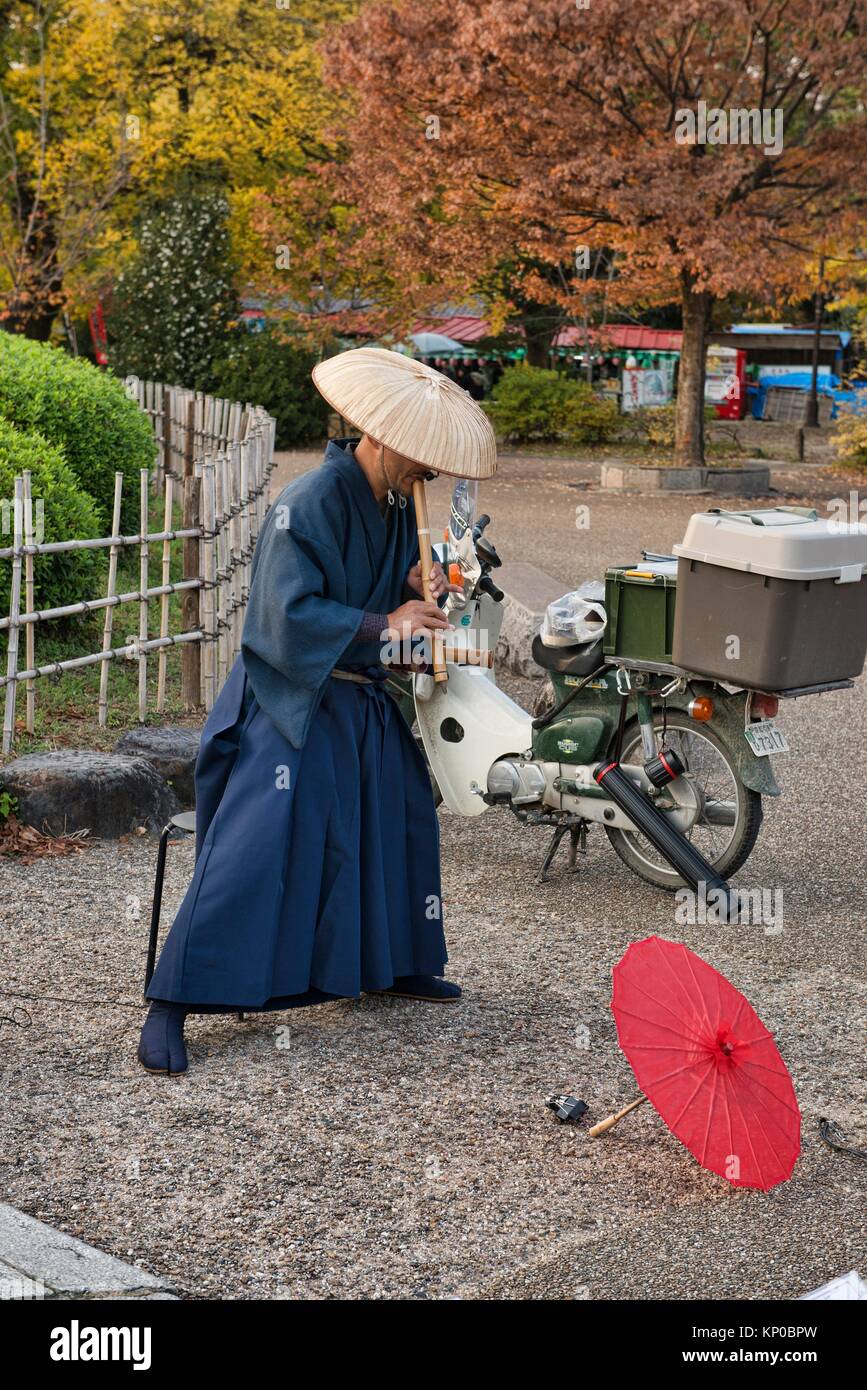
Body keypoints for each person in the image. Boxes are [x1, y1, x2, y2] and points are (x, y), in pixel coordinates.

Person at [137, 349, 497, 1075]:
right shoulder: (307, 502)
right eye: (419, 459)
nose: (426, 473)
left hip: (357, 695)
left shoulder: (396, 504)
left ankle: (394, 961)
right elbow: (284, 614)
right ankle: (173, 998)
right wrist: (384, 623)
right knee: (260, 838)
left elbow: (385, 590)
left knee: (401, 813)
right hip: (289, 692)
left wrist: (412, 577)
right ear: (381, 436)